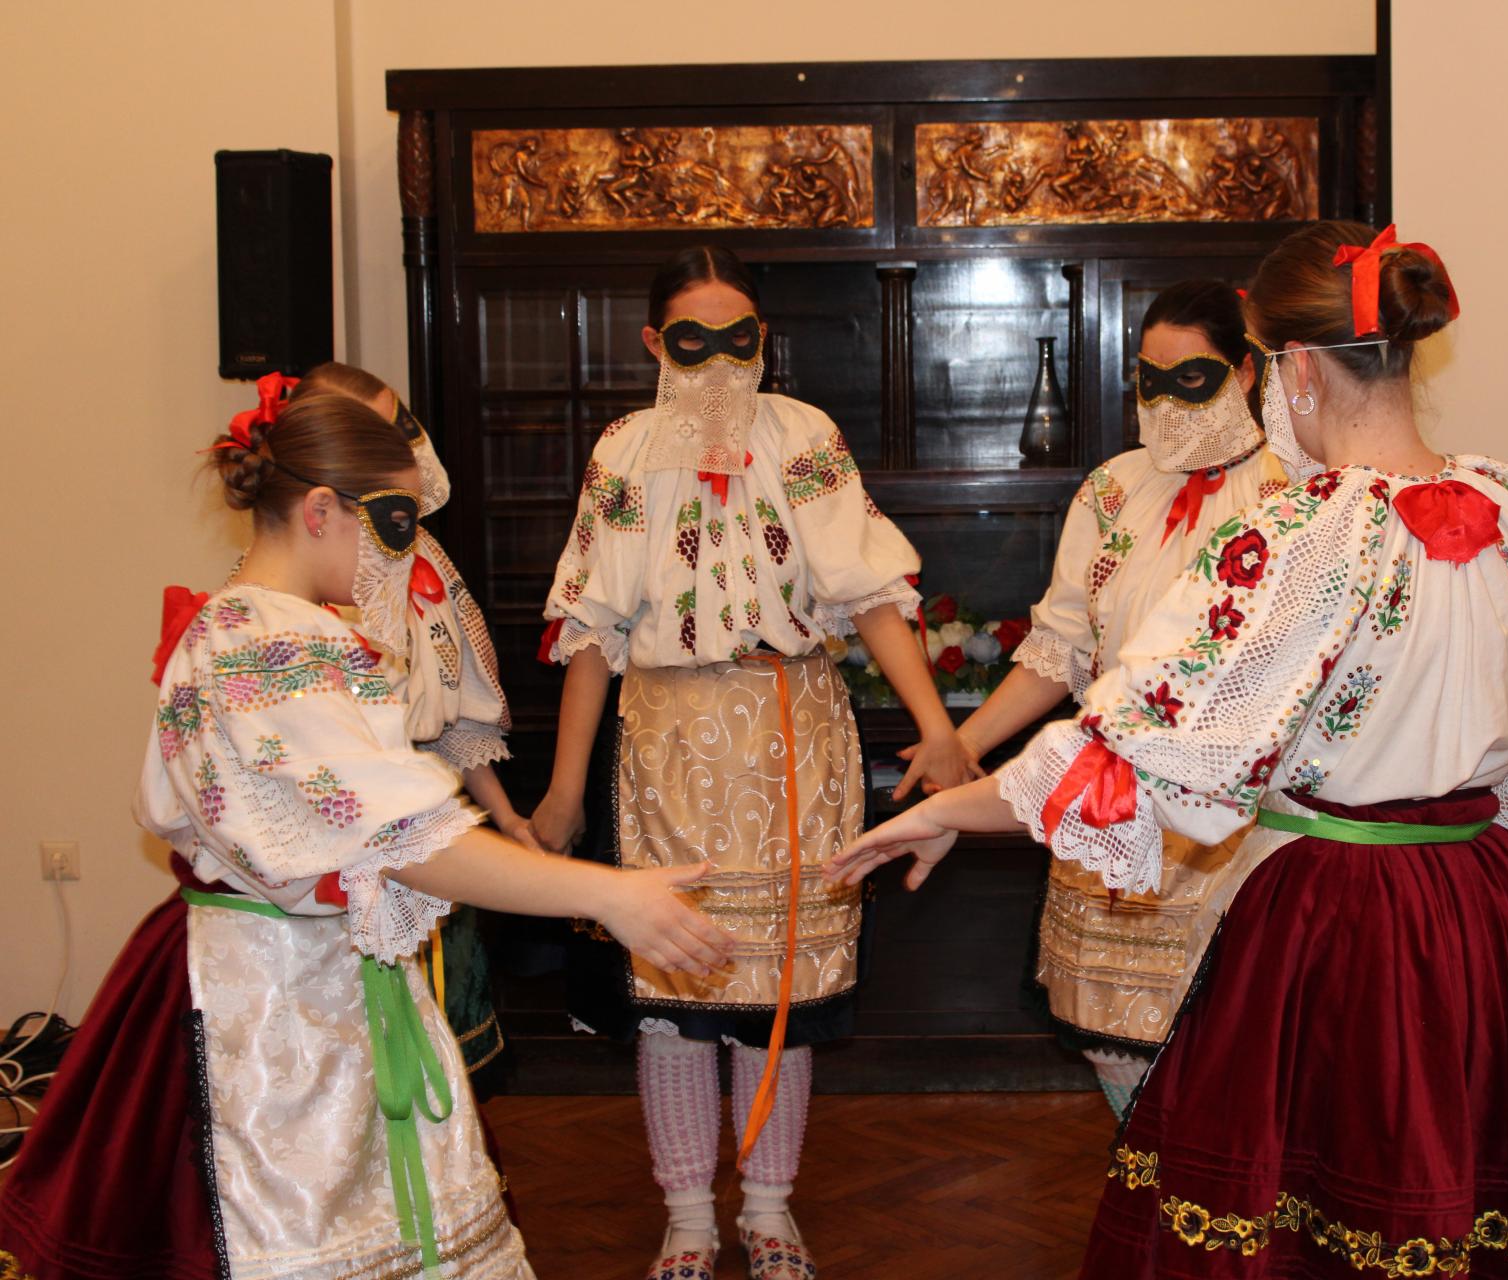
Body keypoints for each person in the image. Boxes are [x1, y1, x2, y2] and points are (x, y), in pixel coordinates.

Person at [828, 222, 1508, 1279]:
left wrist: (947, 806)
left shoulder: (1299, 537)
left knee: (1304, 1209)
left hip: (1342, 911)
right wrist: (1460, 854)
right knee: (1464, 1192)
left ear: (1295, 369)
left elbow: (1135, 749)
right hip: (1480, 900)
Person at [0, 387, 730, 1280]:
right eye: (393, 524)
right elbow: (406, 838)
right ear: (320, 511)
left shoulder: (244, 625)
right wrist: (607, 893)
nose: (405, 552)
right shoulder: (263, 645)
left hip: (312, 977)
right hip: (269, 1007)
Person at [529, 245, 975, 1280]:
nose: (722, 363)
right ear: (655, 344)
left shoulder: (804, 436)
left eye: (742, 340)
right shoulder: (623, 452)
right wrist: (561, 790)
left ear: (764, 343)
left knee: (784, 989)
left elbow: (870, 592)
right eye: (695, 342)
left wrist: (939, 727)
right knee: (675, 998)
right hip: (669, 740)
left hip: (793, 731)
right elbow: (591, 630)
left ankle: (771, 1213)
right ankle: (688, 1217)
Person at [938, 279, 1283, 1115]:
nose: (1165, 402)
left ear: (1245, 372)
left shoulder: (1297, 490)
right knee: (1113, 1039)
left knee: (1231, 1040)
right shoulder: (1113, 489)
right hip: (1112, 804)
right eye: (1148, 381)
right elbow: (1061, 649)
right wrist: (965, 744)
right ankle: (1153, 1182)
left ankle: (1211, 1189)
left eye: (1191, 378)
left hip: (1236, 821)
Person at [293, 361, 527, 1089]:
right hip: (347, 845)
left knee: (450, 1063)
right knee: (367, 1067)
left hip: (433, 820)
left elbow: (455, 714)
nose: (402, 443)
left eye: (401, 422)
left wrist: (505, 819)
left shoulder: (424, 556)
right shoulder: (298, 588)